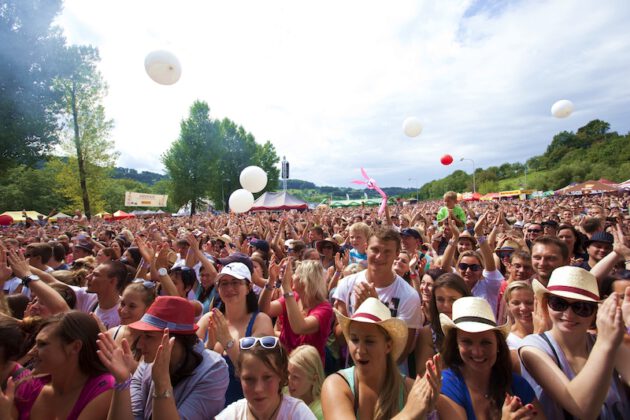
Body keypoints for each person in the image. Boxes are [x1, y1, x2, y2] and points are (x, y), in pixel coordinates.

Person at [518, 266, 630, 419]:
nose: (569, 314)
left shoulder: (606, 341)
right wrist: (605, 343)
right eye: (559, 303)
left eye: (582, 307)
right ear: (546, 304)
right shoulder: (533, 348)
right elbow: (583, 409)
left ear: (595, 312)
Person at [96, 295, 230, 419]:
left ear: (174, 340)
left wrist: (162, 384)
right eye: (141, 335)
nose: (140, 345)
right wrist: (122, 381)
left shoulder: (214, 369)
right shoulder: (146, 365)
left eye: (148, 336)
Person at [322, 298, 441, 420]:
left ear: (388, 346)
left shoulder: (411, 390)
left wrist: (428, 410)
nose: (360, 350)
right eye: (354, 339)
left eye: (369, 341)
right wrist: (409, 413)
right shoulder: (336, 385)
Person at [437, 297, 543, 419]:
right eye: (467, 342)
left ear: (498, 345)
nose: (477, 352)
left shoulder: (517, 384)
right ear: (456, 344)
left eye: (485, 342)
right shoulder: (446, 384)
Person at [333, 228, 423, 368]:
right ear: (366, 248)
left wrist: (375, 309)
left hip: (391, 372)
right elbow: (340, 339)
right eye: (375, 250)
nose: (380, 257)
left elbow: (403, 349)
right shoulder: (346, 284)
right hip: (354, 370)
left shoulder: (409, 295)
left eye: (387, 252)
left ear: (397, 253)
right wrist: (358, 314)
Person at [196, 262, 274, 407]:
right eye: (224, 283)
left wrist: (228, 342)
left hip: (241, 407)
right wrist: (208, 347)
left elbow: (255, 371)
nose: (229, 288)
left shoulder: (260, 321)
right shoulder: (208, 320)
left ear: (249, 287)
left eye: (235, 282)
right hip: (205, 407)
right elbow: (190, 362)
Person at [20, 312, 115, 420]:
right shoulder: (28, 387)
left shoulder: (102, 387)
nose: (31, 353)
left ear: (75, 347)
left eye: (42, 344)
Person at [216, 336, 316, 419]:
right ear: (240, 377)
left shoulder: (297, 413)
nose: (258, 389)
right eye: (249, 379)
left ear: (280, 375)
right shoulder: (233, 415)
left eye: (267, 377)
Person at [259, 259, 333, 364]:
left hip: (306, 366)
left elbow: (299, 327)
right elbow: (265, 309)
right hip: (284, 360)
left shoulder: (325, 309)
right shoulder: (293, 297)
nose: (292, 276)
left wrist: (287, 288)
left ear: (305, 281)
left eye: (296, 274)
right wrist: (271, 280)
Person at [415, 273, 471, 376]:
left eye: (453, 300)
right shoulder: (428, 333)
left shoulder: (477, 329)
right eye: (440, 299)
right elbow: (423, 376)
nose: (446, 305)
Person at [107, 279, 157, 346]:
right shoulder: (111, 334)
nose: (123, 311)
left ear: (148, 309)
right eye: (122, 304)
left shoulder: (153, 344)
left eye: (132, 306)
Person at [287, 345, 325, 419]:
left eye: (295, 377)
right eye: (288, 373)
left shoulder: (321, 412)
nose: (288, 381)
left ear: (314, 379)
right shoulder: (284, 395)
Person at [504, 281, 534, 349]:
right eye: (516, 303)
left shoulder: (551, 333)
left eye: (529, 303)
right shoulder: (505, 340)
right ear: (508, 306)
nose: (523, 308)